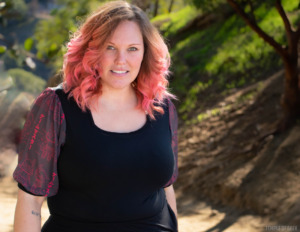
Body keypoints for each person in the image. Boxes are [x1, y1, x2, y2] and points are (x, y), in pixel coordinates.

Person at [13, 1, 179, 231]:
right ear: (91, 51)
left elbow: (165, 189)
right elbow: (30, 199)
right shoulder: (56, 106)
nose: (121, 60)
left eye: (133, 48)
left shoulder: (163, 108)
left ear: (146, 52)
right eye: (110, 47)